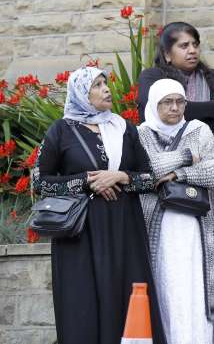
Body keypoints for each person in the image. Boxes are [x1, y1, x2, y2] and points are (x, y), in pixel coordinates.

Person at [32, 67, 167, 344]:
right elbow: (40, 183)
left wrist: (121, 176)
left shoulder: (124, 129)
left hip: (124, 228)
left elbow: (151, 179)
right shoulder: (61, 130)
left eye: (106, 83)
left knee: (127, 296)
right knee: (82, 302)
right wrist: (86, 181)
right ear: (82, 93)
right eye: (97, 85)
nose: (106, 89)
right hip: (80, 233)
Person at [137, 22, 214, 344]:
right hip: (161, 207)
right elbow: (148, 112)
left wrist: (188, 160)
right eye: (184, 45)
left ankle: (210, 336)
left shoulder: (213, 79)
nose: (192, 50)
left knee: (212, 263)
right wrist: (213, 109)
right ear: (167, 54)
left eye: (195, 43)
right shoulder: (153, 80)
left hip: (212, 193)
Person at [138, 79, 214, 344]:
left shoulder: (199, 129)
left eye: (180, 101)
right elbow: (148, 168)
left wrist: (179, 173)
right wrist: (188, 156)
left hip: (194, 227)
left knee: (193, 288)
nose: (175, 108)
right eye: (167, 102)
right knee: (166, 288)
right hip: (159, 227)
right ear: (154, 105)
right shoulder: (141, 133)